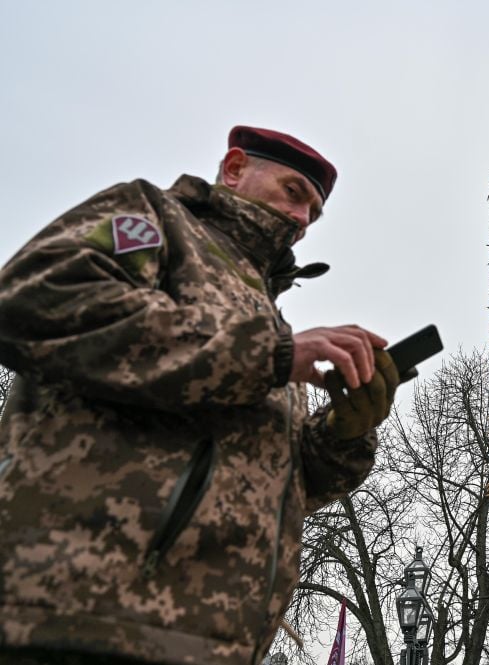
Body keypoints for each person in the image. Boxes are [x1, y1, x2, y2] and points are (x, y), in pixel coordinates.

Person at [0, 126, 399, 665]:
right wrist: (272, 355)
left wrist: (344, 431)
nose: (303, 221)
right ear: (235, 168)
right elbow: (36, 298)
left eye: (315, 212)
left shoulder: (265, 312)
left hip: (210, 642)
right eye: (293, 192)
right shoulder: (154, 219)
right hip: (82, 617)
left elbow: (279, 483)